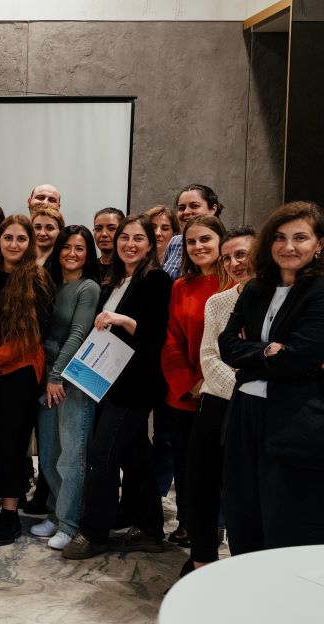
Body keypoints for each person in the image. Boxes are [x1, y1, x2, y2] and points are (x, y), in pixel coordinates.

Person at [62, 214, 173, 560]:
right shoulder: (114, 282)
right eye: (125, 237)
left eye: (138, 239)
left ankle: (94, 533)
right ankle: (151, 529)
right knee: (134, 456)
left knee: (102, 456)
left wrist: (120, 320)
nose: (129, 244)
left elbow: (155, 335)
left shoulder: (157, 280)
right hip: (109, 382)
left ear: (151, 244)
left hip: (136, 387)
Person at [219, 201, 324, 553]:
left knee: (286, 519)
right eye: (279, 237)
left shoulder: (319, 291)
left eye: (300, 237)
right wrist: (267, 351)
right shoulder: (254, 289)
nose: (289, 246)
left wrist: (258, 354)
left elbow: (300, 356)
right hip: (244, 413)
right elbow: (227, 345)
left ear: (319, 244)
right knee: (242, 511)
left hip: (292, 417)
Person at [0, 214, 54, 546]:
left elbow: (31, 336)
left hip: (20, 368)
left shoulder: (37, 279)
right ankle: (3, 511)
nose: (14, 244)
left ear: (29, 243)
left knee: (12, 442)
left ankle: (10, 515)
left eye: (21, 239)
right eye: (8, 238)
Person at [181, 226, 255, 576]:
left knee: (244, 495)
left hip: (258, 411)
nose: (235, 263)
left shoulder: (282, 301)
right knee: (200, 488)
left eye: (241, 254)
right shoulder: (219, 302)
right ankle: (200, 566)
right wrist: (246, 385)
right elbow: (210, 359)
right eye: (228, 258)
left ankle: (246, 574)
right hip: (218, 404)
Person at [30, 225, 100, 551]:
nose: (72, 253)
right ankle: (56, 514)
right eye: (67, 247)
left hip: (73, 380)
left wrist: (57, 375)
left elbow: (78, 333)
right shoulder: (52, 284)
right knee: (48, 455)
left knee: (71, 457)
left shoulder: (89, 288)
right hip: (48, 378)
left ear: (89, 254)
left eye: (80, 248)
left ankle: (71, 524)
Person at [160, 215, 228, 551]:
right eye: (191, 242)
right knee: (186, 465)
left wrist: (209, 382)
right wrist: (188, 383)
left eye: (205, 240)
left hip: (221, 393)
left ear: (220, 242)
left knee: (215, 467)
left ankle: (214, 526)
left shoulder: (235, 287)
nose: (198, 247)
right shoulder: (180, 287)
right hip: (184, 394)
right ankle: (189, 521)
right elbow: (171, 340)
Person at [161, 184, 223, 278]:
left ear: (212, 209)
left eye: (194, 206)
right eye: (181, 208)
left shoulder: (227, 244)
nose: (186, 212)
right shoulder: (175, 242)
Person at [92, 207, 124, 277]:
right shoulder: (89, 268)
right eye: (98, 229)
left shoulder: (128, 269)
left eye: (112, 228)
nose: (104, 234)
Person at [32, 206, 64, 270]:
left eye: (50, 228)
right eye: (38, 227)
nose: (42, 233)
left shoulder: (63, 262)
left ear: (60, 231)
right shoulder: (22, 257)